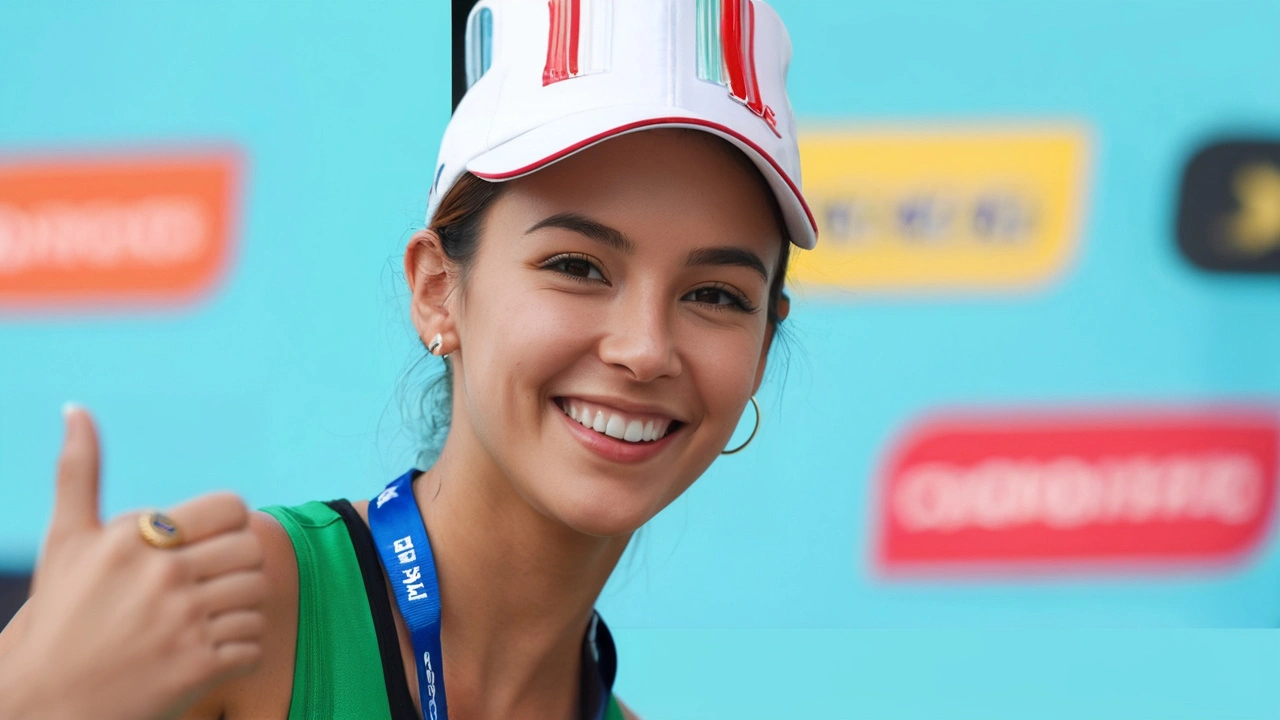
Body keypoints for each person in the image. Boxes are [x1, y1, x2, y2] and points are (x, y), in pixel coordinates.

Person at [0, 1, 817, 718]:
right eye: (577, 267)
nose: (644, 349)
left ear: (762, 342)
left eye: (716, 295)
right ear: (436, 291)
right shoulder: (234, 618)